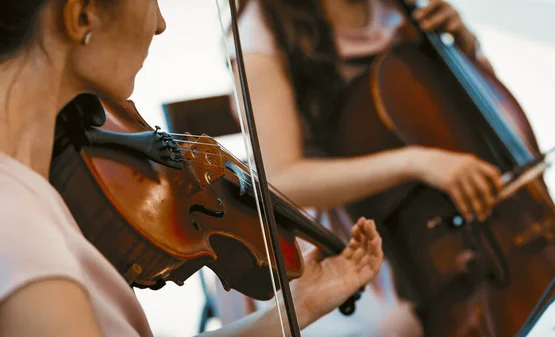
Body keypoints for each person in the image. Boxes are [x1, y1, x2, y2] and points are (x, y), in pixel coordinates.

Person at [0, 0, 386, 336]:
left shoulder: (29, 199)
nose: (160, 23)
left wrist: (296, 310)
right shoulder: (21, 227)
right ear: (82, 15)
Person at [218, 0, 507, 335]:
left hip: (417, 206)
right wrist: (415, 161)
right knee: (391, 327)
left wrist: (463, 49)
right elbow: (282, 179)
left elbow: (486, 114)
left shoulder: (399, 8)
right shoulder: (261, 32)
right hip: (323, 222)